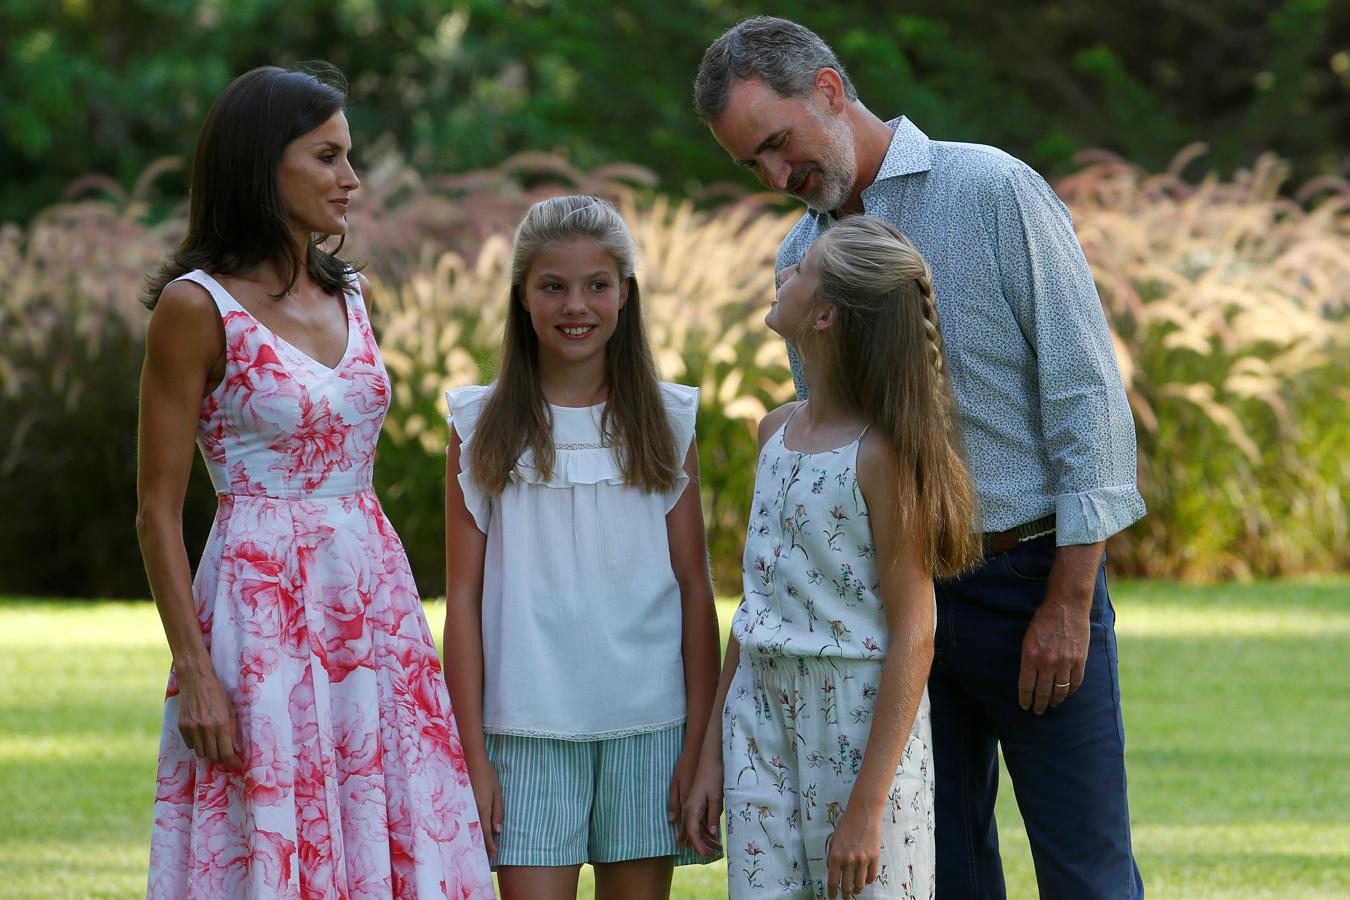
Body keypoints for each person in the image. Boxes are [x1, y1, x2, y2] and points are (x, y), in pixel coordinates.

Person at [694, 17, 1148, 899]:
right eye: (752, 165)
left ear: (828, 89)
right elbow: (839, 453)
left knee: (1088, 873)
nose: (776, 177)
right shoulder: (800, 260)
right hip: (896, 618)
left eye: (777, 145)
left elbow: (1086, 394)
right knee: (944, 877)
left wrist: (1069, 595)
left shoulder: (992, 189)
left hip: (1032, 583)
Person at [135, 64, 493, 898]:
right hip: (259, 611)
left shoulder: (353, 293)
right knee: (272, 827)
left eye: (350, 156)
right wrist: (194, 669)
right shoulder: (195, 308)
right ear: (265, 164)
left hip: (371, 601)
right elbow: (155, 508)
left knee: (389, 817)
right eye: (328, 156)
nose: (352, 178)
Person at [683, 216, 982, 900]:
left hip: (857, 723)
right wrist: (710, 757)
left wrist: (868, 806)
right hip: (759, 717)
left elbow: (917, 633)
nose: (784, 272)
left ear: (825, 316)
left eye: (803, 269)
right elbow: (756, 605)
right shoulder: (773, 434)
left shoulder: (881, 457)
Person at [440, 194, 723, 900]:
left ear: (625, 294)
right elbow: (465, 599)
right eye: (552, 286)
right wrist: (472, 756)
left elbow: (695, 587)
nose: (577, 305)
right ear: (521, 296)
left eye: (597, 285)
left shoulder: (668, 418)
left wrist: (697, 746)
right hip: (523, 730)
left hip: (649, 728)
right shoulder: (477, 426)